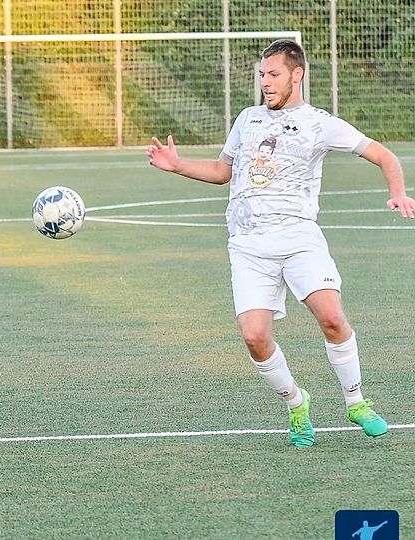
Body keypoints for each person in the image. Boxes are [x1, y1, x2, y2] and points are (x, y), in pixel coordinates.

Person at [147, 39, 415, 447]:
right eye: (261, 76)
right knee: (254, 337)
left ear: (297, 74)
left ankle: (355, 400)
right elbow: (223, 171)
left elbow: (383, 155)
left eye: (273, 75)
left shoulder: (318, 122)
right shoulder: (247, 119)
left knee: (331, 316)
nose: (266, 84)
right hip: (248, 245)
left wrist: (397, 190)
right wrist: (177, 164)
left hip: (298, 237)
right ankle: (295, 402)